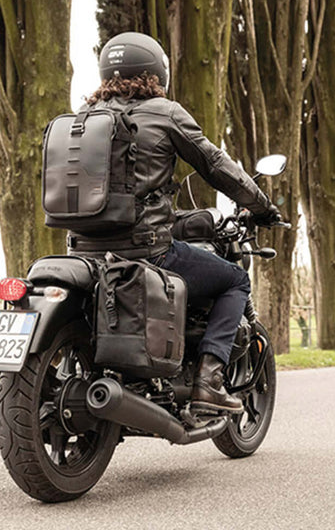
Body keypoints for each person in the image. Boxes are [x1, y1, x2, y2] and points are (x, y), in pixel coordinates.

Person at [68, 32, 280, 413]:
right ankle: (209, 381)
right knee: (235, 280)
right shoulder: (165, 113)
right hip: (147, 252)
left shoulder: (83, 118)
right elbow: (215, 165)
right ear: (156, 73)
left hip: (82, 253)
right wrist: (262, 206)